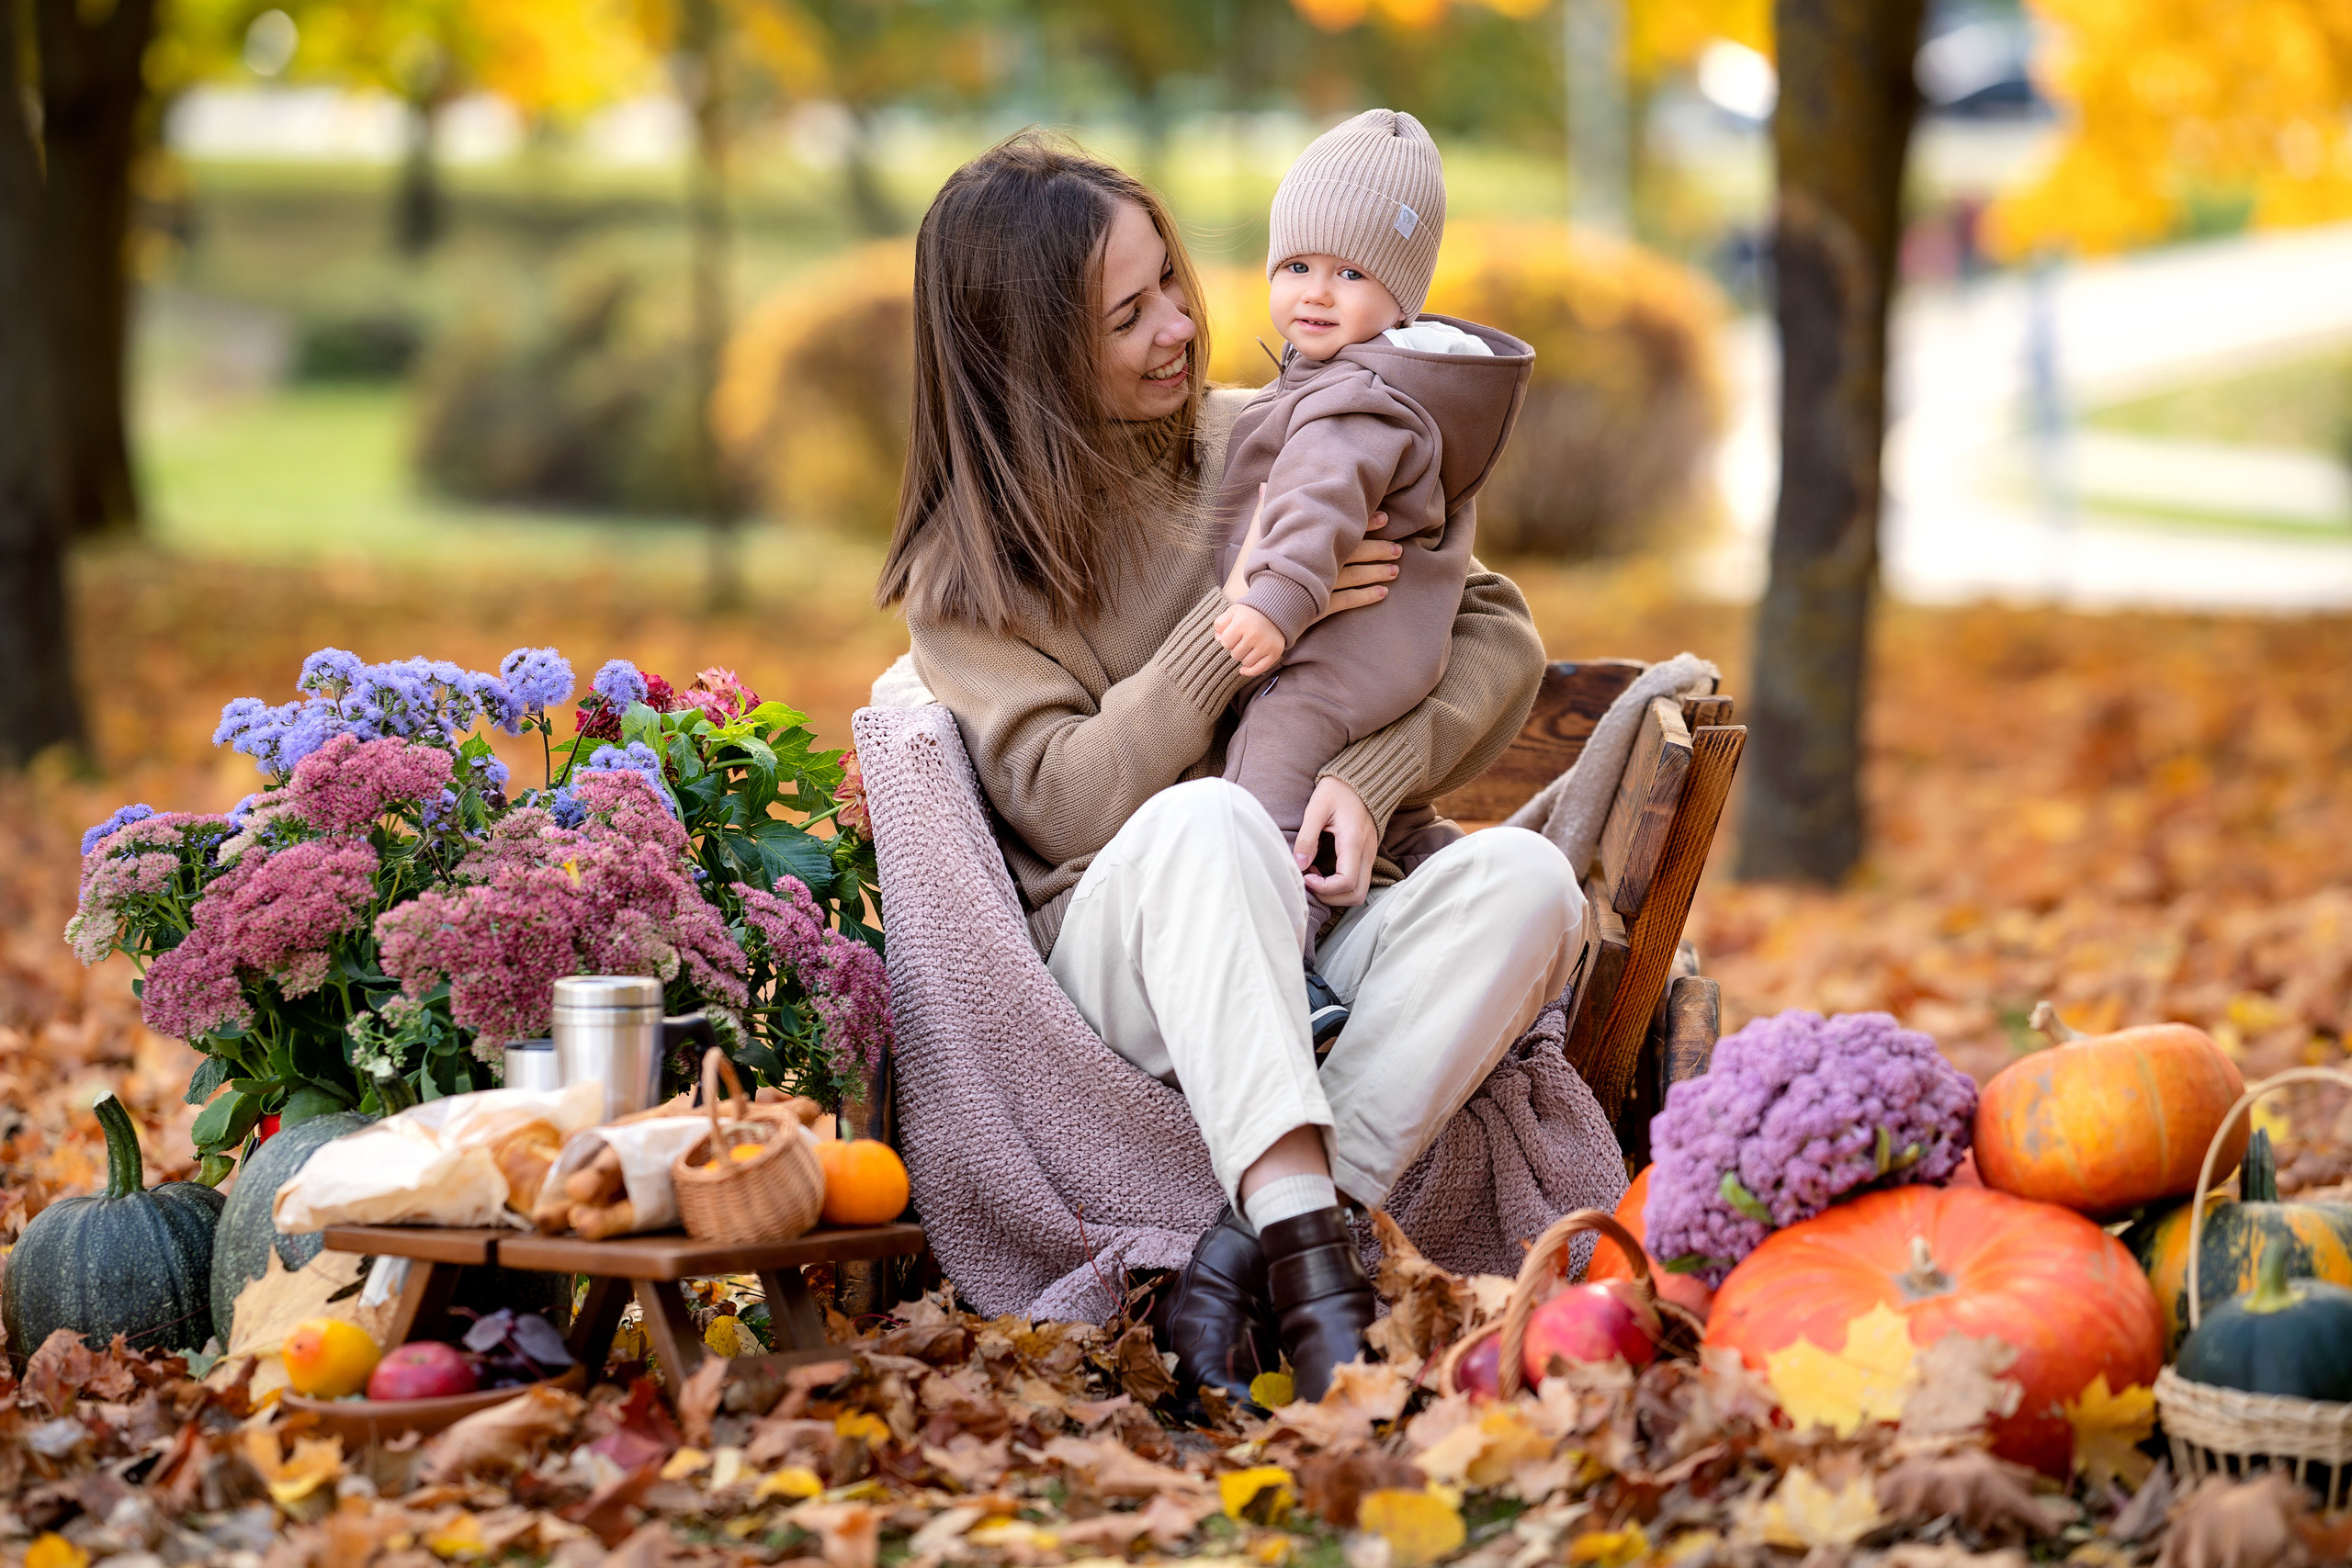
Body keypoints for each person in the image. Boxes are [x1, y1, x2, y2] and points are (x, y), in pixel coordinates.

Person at [876, 131, 1585, 1406]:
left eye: (1174, 283)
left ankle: (1255, 1254)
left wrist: (1371, 775)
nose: (1180, 328)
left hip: (1316, 923)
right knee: (1207, 825)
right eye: (1126, 314)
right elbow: (1065, 795)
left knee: (1532, 882)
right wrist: (1238, 627)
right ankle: (1322, 1299)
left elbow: (1497, 629)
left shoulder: (1284, 430)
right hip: (1124, 970)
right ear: (1025, 354)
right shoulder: (968, 580)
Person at [1214, 109, 1534, 906]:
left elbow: (1319, 503)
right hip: (1383, 664)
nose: (1317, 293)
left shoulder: (1354, 406)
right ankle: (1428, 866)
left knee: (1261, 791)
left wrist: (1275, 602)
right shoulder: (1371, 387)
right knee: (1390, 811)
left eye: (1351, 275)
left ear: (1402, 300)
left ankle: (1292, 952)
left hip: (1327, 664)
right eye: (1296, 265)